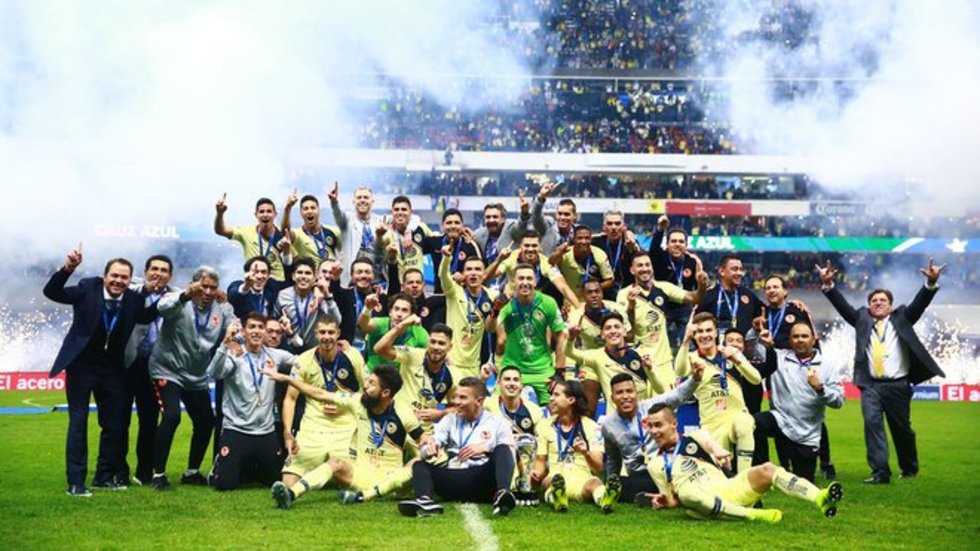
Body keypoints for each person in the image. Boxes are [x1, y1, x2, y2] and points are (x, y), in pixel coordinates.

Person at [43, 244, 160, 496]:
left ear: (130, 280)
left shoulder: (133, 299)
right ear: (105, 276)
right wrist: (68, 269)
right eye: (114, 275)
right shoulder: (87, 288)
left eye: (124, 277)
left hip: (112, 370)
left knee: (114, 425)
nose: (118, 281)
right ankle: (76, 482)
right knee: (79, 422)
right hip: (81, 367)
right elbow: (52, 292)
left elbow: (146, 316)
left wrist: (178, 298)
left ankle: (104, 477)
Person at [816, 259, 946, 484]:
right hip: (871, 386)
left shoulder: (903, 317)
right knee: (872, 424)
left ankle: (909, 468)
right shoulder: (861, 319)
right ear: (869, 306)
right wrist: (829, 285)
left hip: (898, 384)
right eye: (874, 301)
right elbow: (843, 307)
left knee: (901, 430)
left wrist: (930, 283)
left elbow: (920, 304)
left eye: (882, 300)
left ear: (891, 306)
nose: (878, 303)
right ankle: (880, 472)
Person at [640, 403, 843, 522]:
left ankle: (820, 497)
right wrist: (665, 502)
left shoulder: (694, 437)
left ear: (673, 424)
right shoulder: (655, 464)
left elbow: (711, 444)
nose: (654, 431)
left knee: (768, 469)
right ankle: (752, 515)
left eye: (659, 425)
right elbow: (674, 500)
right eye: (651, 426)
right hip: (702, 506)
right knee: (687, 492)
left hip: (728, 488)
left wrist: (719, 451)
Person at [264, 365, 426, 509]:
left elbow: (423, 439)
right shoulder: (358, 402)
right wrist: (288, 379)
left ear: (385, 393)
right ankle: (291, 494)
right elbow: (320, 394)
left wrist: (429, 443)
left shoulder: (404, 413)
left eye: (371, 384)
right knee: (336, 462)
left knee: (418, 462)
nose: (365, 385)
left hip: (391, 479)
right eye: (367, 381)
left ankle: (364, 497)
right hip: (361, 475)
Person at [148, 266, 235, 491]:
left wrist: (235, 336)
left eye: (213, 288)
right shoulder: (178, 298)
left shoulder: (222, 308)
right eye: (203, 286)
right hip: (167, 369)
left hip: (196, 375)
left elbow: (234, 328)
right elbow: (162, 307)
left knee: (206, 420)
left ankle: (192, 472)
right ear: (193, 285)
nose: (208, 292)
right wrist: (185, 295)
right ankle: (158, 474)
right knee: (172, 417)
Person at [397, 378, 517, 517]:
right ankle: (425, 501)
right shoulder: (450, 420)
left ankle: (502, 494)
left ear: (479, 401)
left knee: (503, 448)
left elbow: (510, 456)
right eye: (456, 397)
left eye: (463, 398)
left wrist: (487, 448)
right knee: (419, 465)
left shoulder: (498, 423)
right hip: (453, 477)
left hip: (481, 479)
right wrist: (429, 449)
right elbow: (430, 445)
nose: (456, 402)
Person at [207, 314, 297, 491]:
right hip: (237, 429)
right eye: (252, 327)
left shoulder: (275, 355)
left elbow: (304, 360)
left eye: (260, 327)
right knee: (225, 485)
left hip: (265, 431)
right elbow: (214, 373)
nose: (256, 331)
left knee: (276, 481)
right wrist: (225, 343)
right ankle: (219, 467)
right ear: (244, 331)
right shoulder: (235, 354)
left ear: (265, 332)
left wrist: (292, 335)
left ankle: (250, 468)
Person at [280, 317, 366, 488]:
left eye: (331, 332)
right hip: (313, 427)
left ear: (338, 334)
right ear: (316, 334)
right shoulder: (303, 360)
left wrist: (345, 407)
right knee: (287, 483)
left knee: (354, 481)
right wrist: (287, 433)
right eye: (322, 332)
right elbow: (290, 398)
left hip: (345, 427)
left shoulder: (352, 356)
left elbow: (367, 391)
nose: (327, 337)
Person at [754, 322, 844, 482]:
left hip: (807, 432)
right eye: (795, 336)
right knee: (754, 423)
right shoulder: (778, 357)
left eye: (804, 336)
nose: (800, 340)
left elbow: (838, 401)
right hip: (780, 420)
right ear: (790, 340)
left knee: (803, 483)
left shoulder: (827, 366)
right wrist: (755, 330)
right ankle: (761, 472)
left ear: (813, 339)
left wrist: (820, 389)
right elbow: (753, 347)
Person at [601, 368, 701, 503]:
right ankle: (665, 494)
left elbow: (678, 395)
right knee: (622, 484)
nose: (625, 396)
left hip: (663, 467)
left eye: (629, 391)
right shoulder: (608, 425)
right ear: (612, 398)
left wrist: (695, 379)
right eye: (619, 393)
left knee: (680, 473)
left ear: (636, 394)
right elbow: (613, 459)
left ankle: (656, 495)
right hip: (638, 476)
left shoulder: (651, 407)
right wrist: (611, 485)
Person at [675, 312, 759, 474]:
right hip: (711, 423)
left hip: (735, 416)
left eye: (708, 330)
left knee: (745, 423)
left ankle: (744, 479)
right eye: (699, 331)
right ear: (694, 335)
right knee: (720, 472)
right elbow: (679, 370)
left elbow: (755, 379)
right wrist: (685, 340)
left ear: (716, 333)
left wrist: (737, 360)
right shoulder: (692, 358)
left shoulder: (730, 352)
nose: (704, 335)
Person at [120, 254, 176, 486]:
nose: (158, 274)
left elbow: (201, 294)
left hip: (156, 366)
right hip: (128, 362)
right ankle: (118, 470)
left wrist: (220, 295)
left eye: (164, 270)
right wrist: (145, 290)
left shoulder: (176, 295)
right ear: (145, 272)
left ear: (170, 276)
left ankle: (144, 471)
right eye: (154, 269)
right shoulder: (132, 292)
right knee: (119, 420)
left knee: (149, 420)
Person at [617, 252, 706, 395]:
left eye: (647, 265)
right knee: (641, 406)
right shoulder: (624, 295)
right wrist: (631, 307)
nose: (645, 269)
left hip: (663, 362)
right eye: (640, 265)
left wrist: (702, 285)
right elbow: (628, 335)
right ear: (632, 270)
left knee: (668, 405)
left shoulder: (663, 288)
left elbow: (694, 298)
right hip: (639, 360)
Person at [532, 380, 620, 513]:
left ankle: (604, 499)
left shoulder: (592, 427)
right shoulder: (544, 426)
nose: (551, 399)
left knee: (595, 483)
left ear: (571, 400)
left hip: (582, 479)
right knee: (547, 483)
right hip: (556, 477)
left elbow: (598, 468)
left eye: (556, 395)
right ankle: (558, 499)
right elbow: (540, 461)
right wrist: (535, 474)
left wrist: (585, 453)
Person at [490, 263, 568, 404]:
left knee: (556, 408)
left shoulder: (548, 302)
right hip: (512, 369)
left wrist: (560, 371)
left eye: (529, 278)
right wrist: (495, 311)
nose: (525, 282)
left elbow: (560, 335)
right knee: (495, 408)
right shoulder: (506, 304)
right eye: (521, 278)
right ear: (514, 281)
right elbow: (490, 328)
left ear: (535, 281)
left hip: (543, 371)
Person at [374, 321, 458, 432]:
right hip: (398, 422)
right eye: (433, 342)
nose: (436, 347)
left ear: (450, 346)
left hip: (424, 430)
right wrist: (403, 325)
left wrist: (440, 413)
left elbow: (458, 408)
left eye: (441, 343)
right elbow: (379, 349)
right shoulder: (412, 355)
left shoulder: (452, 375)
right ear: (428, 342)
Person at [565, 280, 630, 414]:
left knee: (618, 403)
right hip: (590, 361)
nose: (594, 295)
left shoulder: (616, 309)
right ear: (583, 295)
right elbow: (570, 346)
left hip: (614, 359)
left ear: (602, 293)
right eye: (589, 292)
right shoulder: (576, 316)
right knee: (588, 408)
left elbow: (629, 335)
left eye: (597, 291)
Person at [484, 365, 546, 504]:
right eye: (507, 379)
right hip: (496, 457)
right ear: (498, 383)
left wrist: (538, 469)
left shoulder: (534, 410)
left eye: (515, 380)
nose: (511, 383)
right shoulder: (487, 405)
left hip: (525, 460)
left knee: (527, 442)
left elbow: (541, 443)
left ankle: (524, 482)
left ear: (521, 385)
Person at [484, 231, 580, 309]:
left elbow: (563, 287)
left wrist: (579, 309)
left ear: (540, 247)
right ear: (520, 246)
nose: (530, 249)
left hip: (534, 305)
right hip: (510, 303)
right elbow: (486, 277)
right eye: (526, 245)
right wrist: (499, 260)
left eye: (534, 246)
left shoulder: (545, 263)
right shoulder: (511, 257)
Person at [439, 252, 498, 379]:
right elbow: (443, 276)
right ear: (463, 273)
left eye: (477, 269)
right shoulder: (454, 292)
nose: (473, 273)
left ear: (484, 274)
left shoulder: (492, 296)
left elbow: (492, 329)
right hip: (452, 364)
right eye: (469, 269)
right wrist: (446, 258)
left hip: (474, 367)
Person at [649, 215, 702, 350]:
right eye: (673, 241)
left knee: (689, 343)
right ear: (667, 244)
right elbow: (653, 249)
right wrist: (660, 230)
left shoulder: (692, 261)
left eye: (681, 241)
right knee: (659, 343)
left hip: (684, 307)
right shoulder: (660, 258)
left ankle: (689, 360)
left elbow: (696, 287)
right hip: (663, 305)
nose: (677, 244)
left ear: (686, 245)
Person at [214, 194, 289, 281]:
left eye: (269, 211)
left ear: (275, 214)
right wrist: (220, 213)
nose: (265, 214)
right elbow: (221, 230)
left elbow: (289, 261)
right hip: (253, 280)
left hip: (277, 282)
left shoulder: (283, 234)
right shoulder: (246, 232)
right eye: (261, 212)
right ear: (256, 215)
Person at [274, 257, 340, 352]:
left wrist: (327, 296)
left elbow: (336, 321)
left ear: (315, 277)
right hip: (289, 349)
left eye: (308, 273)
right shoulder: (283, 295)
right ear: (293, 276)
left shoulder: (320, 296)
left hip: (315, 350)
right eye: (300, 272)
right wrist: (281, 323)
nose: (303, 276)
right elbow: (274, 319)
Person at [328, 182, 386, 287]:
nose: (362, 200)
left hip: (377, 280)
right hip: (352, 280)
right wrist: (334, 202)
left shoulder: (381, 221)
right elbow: (338, 214)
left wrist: (408, 231)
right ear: (353, 201)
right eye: (359, 197)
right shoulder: (347, 220)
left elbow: (408, 218)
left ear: (372, 201)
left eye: (366, 197)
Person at [359, 292, 430, 372]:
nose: (399, 314)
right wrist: (367, 309)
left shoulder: (419, 333)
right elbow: (363, 325)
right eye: (396, 309)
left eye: (404, 310)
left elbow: (430, 354)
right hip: (371, 374)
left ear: (412, 315)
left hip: (399, 377)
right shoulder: (380, 324)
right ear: (390, 312)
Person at [329, 257, 388, 350]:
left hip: (375, 350)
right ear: (352, 276)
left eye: (367, 272)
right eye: (359, 272)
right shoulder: (345, 295)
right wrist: (336, 277)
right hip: (348, 349)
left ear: (373, 275)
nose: (363, 276)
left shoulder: (382, 298)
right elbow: (335, 290)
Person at [697, 255, 764, 336]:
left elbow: (764, 313)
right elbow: (697, 323)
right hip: (717, 343)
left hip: (742, 343)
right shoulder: (709, 295)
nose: (739, 273)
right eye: (734, 269)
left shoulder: (748, 295)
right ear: (722, 271)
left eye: (741, 269)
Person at [419, 208, 481, 294]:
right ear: (442, 226)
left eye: (457, 223)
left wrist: (464, 277)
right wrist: (408, 232)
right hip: (440, 295)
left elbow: (480, 271)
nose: (453, 226)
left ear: (462, 226)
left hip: (463, 295)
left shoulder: (470, 245)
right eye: (449, 223)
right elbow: (417, 234)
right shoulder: (434, 242)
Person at [376, 195, 432, 283]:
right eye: (396, 209)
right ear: (392, 212)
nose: (400, 212)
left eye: (404, 209)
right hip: (395, 286)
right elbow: (378, 248)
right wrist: (379, 236)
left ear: (410, 212)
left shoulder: (421, 228)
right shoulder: (386, 233)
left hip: (415, 285)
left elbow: (437, 241)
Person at [550, 225, 615, 301]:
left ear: (591, 239)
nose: (584, 242)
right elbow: (551, 262)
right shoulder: (565, 253)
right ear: (574, 239)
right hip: (570, 301)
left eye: (587, 238)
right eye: (580, 238)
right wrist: (559, 252)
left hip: (593, 301)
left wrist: (593, 289)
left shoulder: (599, 254)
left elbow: (609, 280)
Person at [590, 210, 641, 298]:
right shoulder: (596, 242)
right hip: (601, 294)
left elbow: (642, 262)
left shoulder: (630, 243)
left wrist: (633, 250)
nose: (613, 227)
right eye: (609, 224)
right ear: (604, 227)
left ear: (624, 227)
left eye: (617, 224)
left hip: (627, 294)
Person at [282, 192, 341, 263]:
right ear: (301, 213)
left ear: (319, 211)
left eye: (313, 208)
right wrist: (288, 208)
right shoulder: (298, 234)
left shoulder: (334, 231)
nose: (309, 211)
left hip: (330, 269)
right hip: (309, 270)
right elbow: (285, 233)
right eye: (306, 209)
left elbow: (345, 251)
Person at [472, 201, 529, 274]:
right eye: (488, 217)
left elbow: (520, 226)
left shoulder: (510, 228)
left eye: (495, 217)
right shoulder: (479, 234)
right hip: (487, 276)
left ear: (503, 219)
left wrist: (524, 214)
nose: (491, 220)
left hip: (510, 277)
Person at [531, 181, 577, 255]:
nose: (562, 217)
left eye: (566, 214)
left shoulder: (578, 232)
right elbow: (536, 215)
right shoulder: (547, 228)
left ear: (574, 216)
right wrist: (541, 196)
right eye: (560, 214)